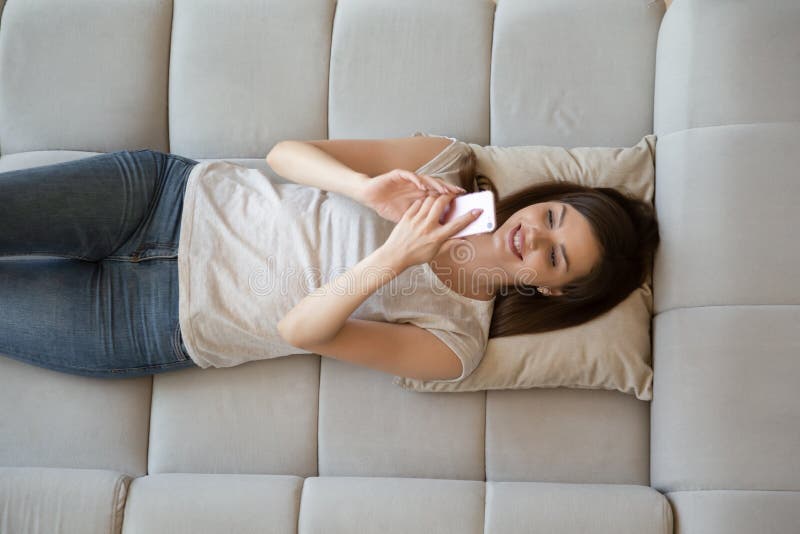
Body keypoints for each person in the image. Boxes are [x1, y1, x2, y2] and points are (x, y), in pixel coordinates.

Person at [0, 134, 659, 383]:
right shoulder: (448, 169)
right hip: (165, 200)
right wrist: (362, 188)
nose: (533, 236)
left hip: (156, 321)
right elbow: (288, 153)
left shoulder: (458, 343)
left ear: (551, 291)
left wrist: (396, 259)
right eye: (550, 218)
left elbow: (299, 332)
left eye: (554, 257)